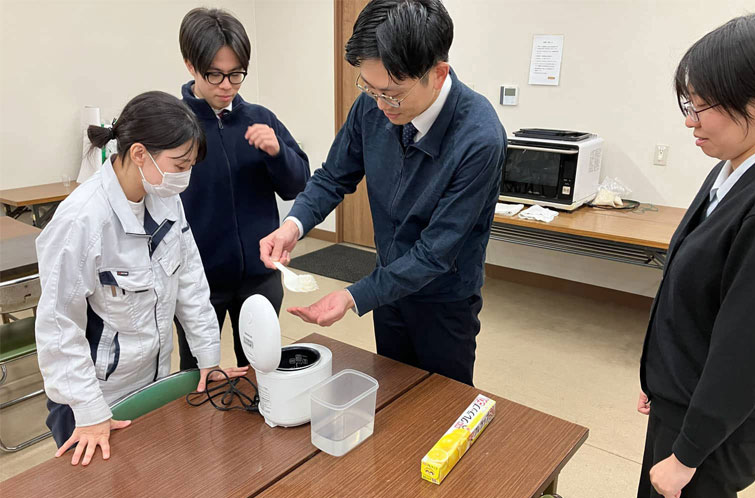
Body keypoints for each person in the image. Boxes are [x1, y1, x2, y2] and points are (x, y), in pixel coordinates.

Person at [259, 0, 506, 386]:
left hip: (444, 297)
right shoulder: (373, 106)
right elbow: (333, 176)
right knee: (392, 389)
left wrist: (352, 296)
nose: (379, 104)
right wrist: (293, 225)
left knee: (442, 402)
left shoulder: (479, 138)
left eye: (392, 93)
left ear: (438, 74)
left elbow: (435, 254)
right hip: (388, 284)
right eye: (369, 87)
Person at [35, 91, 247, 466]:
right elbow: (58, 325)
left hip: (151, 382)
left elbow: (190, 281)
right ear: (138, 153)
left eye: (190, 165)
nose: (186, 175)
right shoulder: (81, 221)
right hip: (94, 399)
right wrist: (89, 411)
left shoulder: (164, 198)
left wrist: (207, 358)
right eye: (180, 164)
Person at [636, 11, 755, 498]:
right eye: (687, 104)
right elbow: (696, 294)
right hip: (684, 398)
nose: (689, 121)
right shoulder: (733, 167)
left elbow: (748, 348)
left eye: (701, 106)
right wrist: (658, 375)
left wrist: (688, 453)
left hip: (713, 431)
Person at [174, 8, 311, 371]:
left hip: (261, 275)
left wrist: (278, 153)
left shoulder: (260, 119)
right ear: (190, 65)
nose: (227, 85)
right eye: (215, 74)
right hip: (198, 281)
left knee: (260, 369)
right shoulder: (175, 126)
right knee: (198, 373)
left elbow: (298, 185)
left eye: (236, 74)